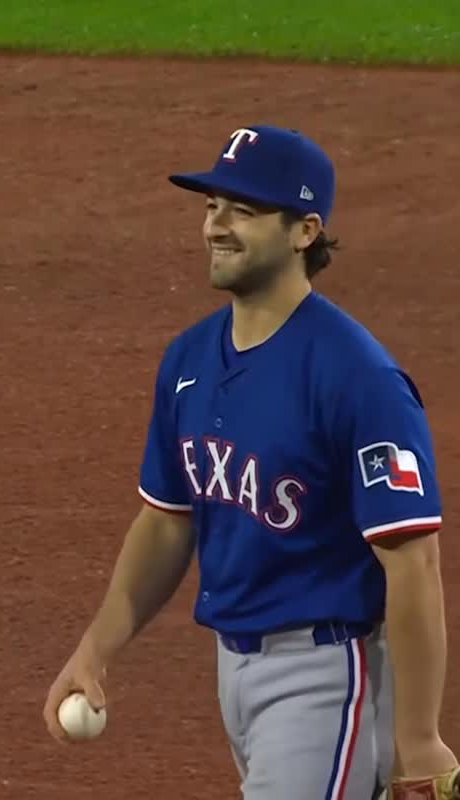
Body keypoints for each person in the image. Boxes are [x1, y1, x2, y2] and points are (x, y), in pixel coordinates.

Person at [43, 124, 459, 799]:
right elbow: (167, 521)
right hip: (232, 670)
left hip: (328, 675)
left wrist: (417, 736)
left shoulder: (357, 377)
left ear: (304, 231)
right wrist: (96, 646)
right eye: (212, 206)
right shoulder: (188, 359)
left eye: (243, 209)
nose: (217, 225)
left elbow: (412, 559)